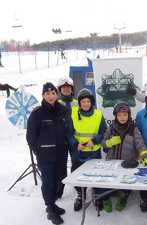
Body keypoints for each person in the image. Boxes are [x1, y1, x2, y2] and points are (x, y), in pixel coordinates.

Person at [26, 82, 69, 225]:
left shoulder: (63, 110)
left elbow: (68, 130)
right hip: (46, 155)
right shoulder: (37, 113)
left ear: (56, 94)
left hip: (61, 153)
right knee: (49, 182)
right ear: (43, 95)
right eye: (47, 93)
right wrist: (39, 151)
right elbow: (30, 137)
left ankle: (53, 203)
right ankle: (50, 208)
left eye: (53, 93)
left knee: (59, 178)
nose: (50, 96)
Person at [102, 102, 147, 212]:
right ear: (115, 116)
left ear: (129, 115)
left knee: (125, 185)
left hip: (127, 164)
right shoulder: (110, 129)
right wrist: (109, 142)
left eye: (125, 115)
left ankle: (123, 198)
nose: (122, 117)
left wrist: (145, 157)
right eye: (119, 115)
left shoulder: (134, 129)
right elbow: (103, 144)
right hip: (112, 163)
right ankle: (105, 199)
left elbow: (140, 144)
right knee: (106, 183)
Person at [67, 88, 107, 212]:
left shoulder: (98, 114)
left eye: (88, 101)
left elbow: (103, 132)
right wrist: (75, 144)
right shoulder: (73, 113)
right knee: (77, 174)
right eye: (83, 101)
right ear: (79, 103)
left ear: (92, 102)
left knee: (96, 174)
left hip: (94, 151)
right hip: (78, 151)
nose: (85, 104)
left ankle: (97, 195)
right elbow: (68, 132)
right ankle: (81, 194)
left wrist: (93, 141)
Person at [56, 77, 78, 198]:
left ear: (72, 89)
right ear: (60, 89)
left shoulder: (76, 102)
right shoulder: (56, 103)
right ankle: (59, 190)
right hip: (61, 139)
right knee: (61, 165)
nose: (66, 89)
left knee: (76, 162)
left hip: (74, 137)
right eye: (63, 88)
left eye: (68, 87)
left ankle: (77, 187)